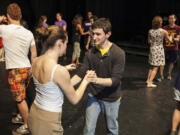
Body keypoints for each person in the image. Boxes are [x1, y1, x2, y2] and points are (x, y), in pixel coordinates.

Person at [28, 26, 95, 135]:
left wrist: (64, 68)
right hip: (49, 120)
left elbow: (52, 83)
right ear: (59, 43)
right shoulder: (59, 71)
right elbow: (74, 99)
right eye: (66, 43)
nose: (66, 47)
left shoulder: (36, 61)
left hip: (35, 112)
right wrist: (86, 80)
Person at [71, 18, 125, 135]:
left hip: (111, 99)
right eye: (92, 33)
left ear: (108, 34)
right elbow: (81, 73)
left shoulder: (118, 53)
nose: (94, 37)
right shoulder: (91, 53)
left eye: (98, 34)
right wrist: (66, 84)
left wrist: (95, 80)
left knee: (112, 129)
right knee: (88, 130)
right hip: (94, 96)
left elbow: (115, 81)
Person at [0, 3, 37, 134]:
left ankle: (27, 125)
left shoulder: (3, 29)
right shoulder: (28, 33)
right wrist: (33, 69)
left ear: (8, 16)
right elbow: (33, 54)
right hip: (27, 68)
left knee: (19, 99)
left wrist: (1, 19)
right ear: (20, 15)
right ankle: (22, 116)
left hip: (16, 70)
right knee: (23, 95)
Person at [146, 16, 172, 87]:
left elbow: (149, 41)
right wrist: (171, 37)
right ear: (160, 23)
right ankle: (150, 83)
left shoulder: (150, 31)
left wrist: (154, 42)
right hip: (159, 50)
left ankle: (148, 80)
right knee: (156, 67)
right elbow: (169, 40)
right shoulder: (163, 31)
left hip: (152, 49)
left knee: (152, 66)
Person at [158, 14, 180, 81]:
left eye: (172, 18)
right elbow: (162, 38)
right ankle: (161, 75)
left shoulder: (178, 28)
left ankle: (169, 74)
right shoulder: (165, 28)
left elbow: (178, 39)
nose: (170, 20)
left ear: (175, 19)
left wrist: (172, 38)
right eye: (169, 18)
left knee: (172, 62)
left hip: (174, 48)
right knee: (162, 62)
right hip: (165, 47)